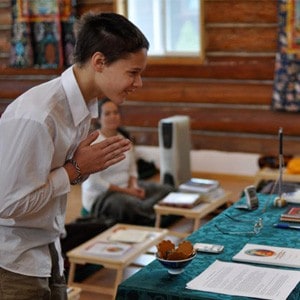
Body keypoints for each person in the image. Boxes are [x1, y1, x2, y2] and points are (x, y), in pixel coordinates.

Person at [0, 12, 149, 300]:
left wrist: (80, 169)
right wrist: (73, 170)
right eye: (133, 72)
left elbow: (57, 179)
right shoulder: (40, 115)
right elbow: (7, 204)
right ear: (99, 62)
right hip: (12, 259)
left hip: (48, 246)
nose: (139, 83)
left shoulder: (82, 108)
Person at [81, 98, 175, 225]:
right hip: (102, 196)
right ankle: (156, 215)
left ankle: (150, 214)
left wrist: (134, 186)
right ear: (99, 118)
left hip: (127, 187)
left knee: (167, 189)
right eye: (107, 114)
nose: (113, 116)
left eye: (115, 112)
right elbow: (95, 182)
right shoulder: (94, 143)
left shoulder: (123, 138)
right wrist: (128, 192)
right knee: (129, 204)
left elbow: (132, 169)